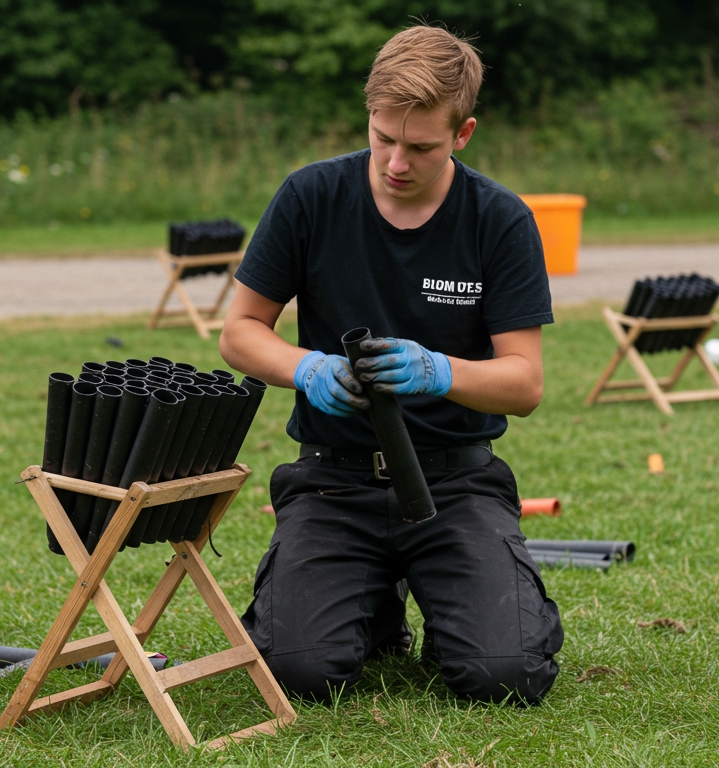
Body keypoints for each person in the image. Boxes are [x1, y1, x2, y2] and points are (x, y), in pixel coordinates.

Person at [219, 24, 562, 706]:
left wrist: (441, 371)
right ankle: (373, 606)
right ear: (370, 117)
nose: (396, 162)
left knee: (505, 676)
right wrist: (308, 369)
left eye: (422, 147)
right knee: (300, 674)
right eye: (383, 138)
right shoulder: (310, 196)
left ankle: (452, 606)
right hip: (333, 482)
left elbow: (524, 384)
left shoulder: (500, 219)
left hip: (456, 484)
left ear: (463, 133)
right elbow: (240, 333)